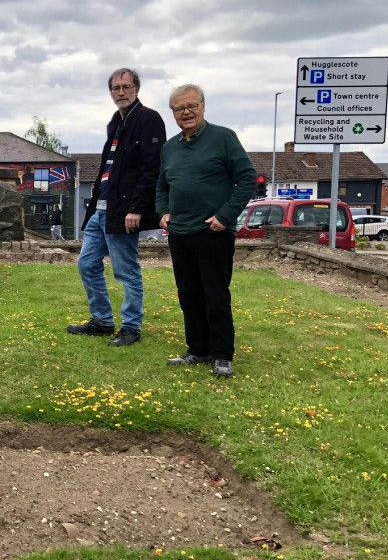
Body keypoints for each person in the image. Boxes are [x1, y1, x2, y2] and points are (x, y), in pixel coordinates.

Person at [156, 83, 256, 378]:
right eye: (179, 108)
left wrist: (225, 216)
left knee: (215, 294)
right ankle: (197, 349)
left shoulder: (223, 138)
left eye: (191, 106)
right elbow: (161, 184)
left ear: (202, 106)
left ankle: (222, 354)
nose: (186, 112)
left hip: (213, 231)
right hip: (180, 231)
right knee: (188, 293)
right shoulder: (169, 147)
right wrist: (163, 211)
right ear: (173, 112)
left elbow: (247, 178)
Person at [68, 68, 166, 347]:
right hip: (101, 209)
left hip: (124, 211)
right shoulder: (116, 121)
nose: (120, 92)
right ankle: (101, 321)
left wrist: (136, 208)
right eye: (115, 88)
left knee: (126, 270)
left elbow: (152, 168)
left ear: (136, 89)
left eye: (125, 86)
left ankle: (131, 327)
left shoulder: (149, 119)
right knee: (87, 263)